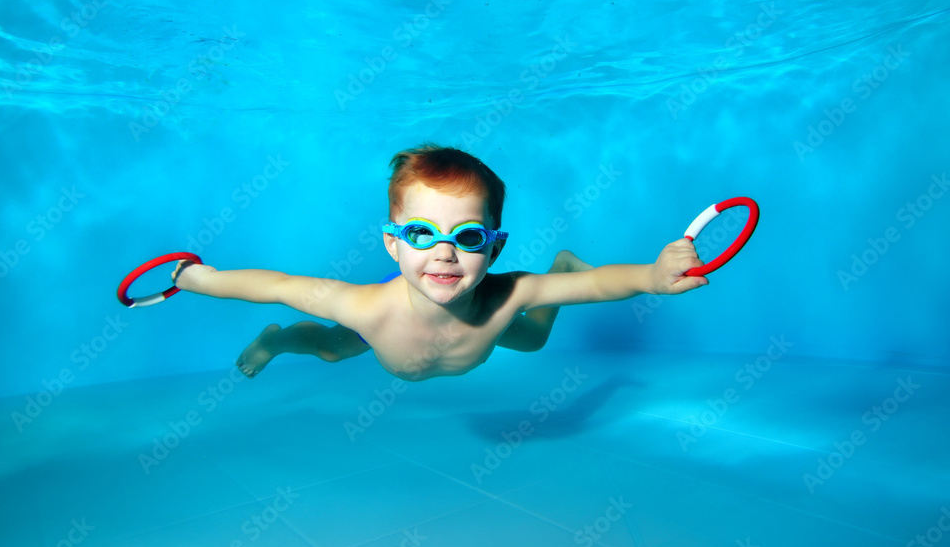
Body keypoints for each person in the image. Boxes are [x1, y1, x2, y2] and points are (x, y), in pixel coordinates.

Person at [171, 144, 708, 381]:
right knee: (333, 352)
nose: (443, 252)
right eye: (421, 234)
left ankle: (562, 265)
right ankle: (275, 340)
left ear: (494, 248)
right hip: (386, 336)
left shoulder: (509, 293)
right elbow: (279, 286)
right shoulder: (365, 305)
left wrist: (651, 278)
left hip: (481, 326)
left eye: (467, 236)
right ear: (392, 244)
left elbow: (596, 289)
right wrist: (203, 279)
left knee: (534, 335)